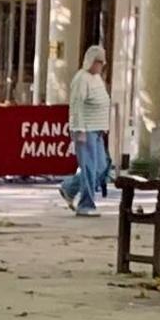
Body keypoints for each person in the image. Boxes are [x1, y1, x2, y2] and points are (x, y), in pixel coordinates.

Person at [60, 45, 112, 215]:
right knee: (89, 167)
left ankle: (69, 187)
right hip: (86, 129)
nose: (101, 65)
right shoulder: (81, 79)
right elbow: (77, 105)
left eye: (102, 62)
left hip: (97, 129)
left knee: (101, 166)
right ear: (90, 61)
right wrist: (79, 129)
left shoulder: (97, 79)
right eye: (98, 62)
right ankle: (86, 204)